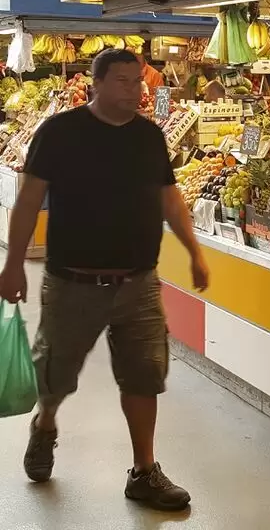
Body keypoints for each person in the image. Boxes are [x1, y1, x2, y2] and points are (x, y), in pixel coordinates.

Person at [0, 48, 209, 511]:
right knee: (55, 375)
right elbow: (29, 201)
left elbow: (170, 199)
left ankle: (144, 471)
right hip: (72, 282)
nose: (135, 90)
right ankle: (45, 424)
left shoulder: (150, 137)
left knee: (145, 374)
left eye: (138, 81)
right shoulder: (59, 133)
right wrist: (14, 263)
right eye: (123, 82)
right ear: (95, 84)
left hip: (138, 283)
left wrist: (194, 252)